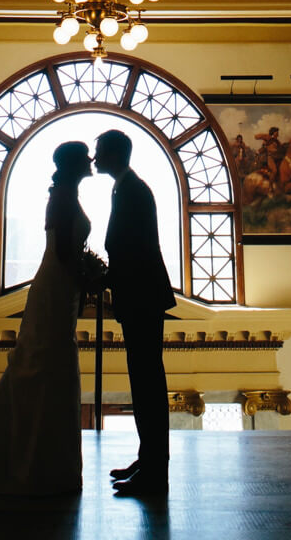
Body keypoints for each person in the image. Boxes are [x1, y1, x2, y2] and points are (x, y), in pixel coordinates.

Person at [0, 140, 92, 498]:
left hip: (60, 285)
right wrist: (90, 275)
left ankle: (38, 461)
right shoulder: (62, 198)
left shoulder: (63, 195)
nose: (90, 161)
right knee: (44, 364)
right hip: (58, 285)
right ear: (76, 165)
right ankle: (37, 465)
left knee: (44, 364)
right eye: (85, 158)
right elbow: (64, 254)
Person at [95, 128, 176, 500]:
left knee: (147, 385)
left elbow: (134, 249)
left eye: (100, 152)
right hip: (141, 295)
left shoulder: (132, 191)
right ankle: (148, 461)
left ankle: (155, 472)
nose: (95, 159)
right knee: (144, 383)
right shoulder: (126, 188)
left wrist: (105, 277)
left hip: (141, 296)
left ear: (115, 154)